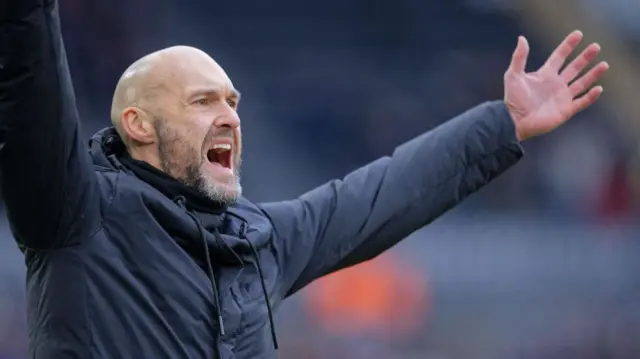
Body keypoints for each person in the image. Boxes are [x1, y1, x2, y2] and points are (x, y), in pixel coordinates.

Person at [0, 0, 609, 358]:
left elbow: (383, 192)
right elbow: (31, 93)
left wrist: (503, 123)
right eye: (203, 101)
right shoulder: (76, 211)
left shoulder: (259, 239)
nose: (230, 117)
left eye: (234, 102)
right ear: (137, 124)